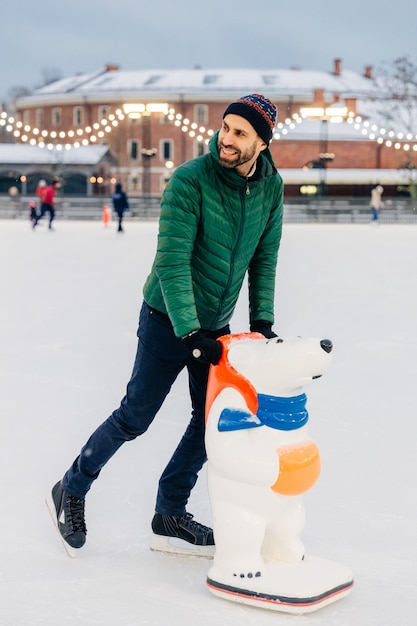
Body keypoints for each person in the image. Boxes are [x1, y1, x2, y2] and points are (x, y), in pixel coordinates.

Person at [48, 94, 284, 557]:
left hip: (216, 327)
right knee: (135, 417)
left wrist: (261, 322)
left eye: (240, 133)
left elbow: (264, 256)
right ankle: (71, 488)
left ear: (261, 142)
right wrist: (188, 332)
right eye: (226, 128)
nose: (227, 139)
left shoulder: (271, 188)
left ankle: (169, 512)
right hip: (165, 319)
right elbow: (172, 262)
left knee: (210, 422)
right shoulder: (189, 180)